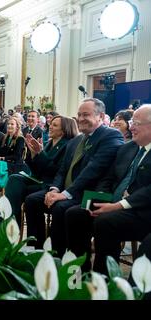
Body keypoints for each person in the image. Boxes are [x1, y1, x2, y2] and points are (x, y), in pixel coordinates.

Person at [24, 98, 124, 256]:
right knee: (32, 200)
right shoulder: (76, 140)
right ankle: (36, 250)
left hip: (90, 193)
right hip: (68, 190)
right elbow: (62, 170)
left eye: (86, 114)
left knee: (60, 207)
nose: (81, 118)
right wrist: (54, 189)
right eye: (79, 114)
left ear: (100, 116)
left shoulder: (110, 136)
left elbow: (93, 170)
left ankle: (59, 256)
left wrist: (63, 194)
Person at [65, 104, 151, 274]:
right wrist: (101, 197)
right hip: (114, 203)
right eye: (131, 122)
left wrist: (119, 205)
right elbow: (109, 177)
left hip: (142, 211)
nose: (131, 127)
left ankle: (103, 279)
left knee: (105, 222)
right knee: (75, 214)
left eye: (136, 123)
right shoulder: (128, 148)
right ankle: (79, 272)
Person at [0, 116, 78, 230]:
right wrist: (33, 154)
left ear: (64, 130)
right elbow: (37, 170)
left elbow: (55, 171)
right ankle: (9, 225)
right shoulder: (49, 143)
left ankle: (5, 227)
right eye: (51, 124)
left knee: (16, 191)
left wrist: (40, 153)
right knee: (14, 179)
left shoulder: (67, 145)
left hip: (51, 185)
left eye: (55, 125)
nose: (50, 126)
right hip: (40, 180)